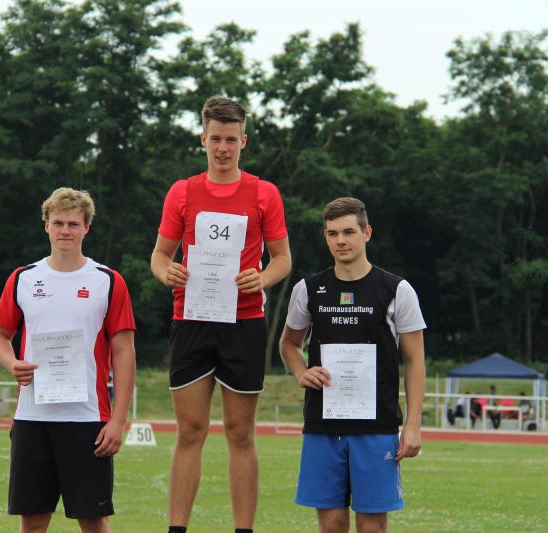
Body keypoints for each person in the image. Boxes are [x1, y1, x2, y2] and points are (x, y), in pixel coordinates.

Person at [150, 95, 291, 533]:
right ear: (203, 139)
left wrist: (261, 279)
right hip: (192, 318)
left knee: (239, 432)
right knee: (190, 430)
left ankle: (243, 529)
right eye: (216, 139)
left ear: (243, 141)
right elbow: (159, 255)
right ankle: (177, 528)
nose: (223, 148)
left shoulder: (264, 193)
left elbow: (283, 259)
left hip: (243, 322)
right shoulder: (182, 191)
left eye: (231, 139)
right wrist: (167, 272)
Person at [0, 187, 136, 533]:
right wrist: (12, 364)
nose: (65, 230)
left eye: (73, 224)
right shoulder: (23, 278)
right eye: (58, 223)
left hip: (87, 419)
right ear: (46, 225)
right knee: (32, 521)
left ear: (87, 228)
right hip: (32, 417)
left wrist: (118, 420)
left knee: (94, 520)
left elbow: (124, 351)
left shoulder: (108, 281)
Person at [279, 197, 426, 533]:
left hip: (377, 426)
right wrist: (301, 371)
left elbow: (415, 360)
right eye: (332, 233)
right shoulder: (308, 289)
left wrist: (413, 424)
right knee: (331, 524)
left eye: (348, 232)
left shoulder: (397, 290)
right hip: (323, 423)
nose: (340, 241)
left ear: (366, 233)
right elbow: (288, 344)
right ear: (325, 236)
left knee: (372, 525)